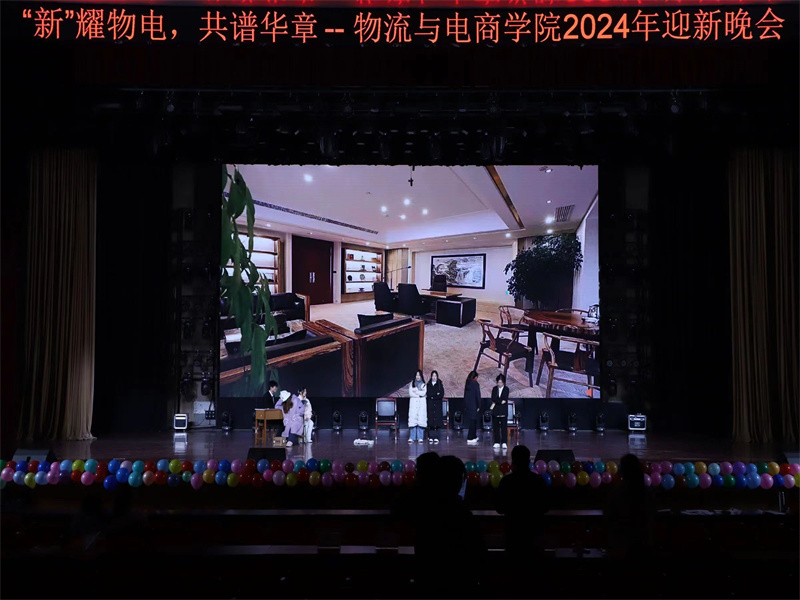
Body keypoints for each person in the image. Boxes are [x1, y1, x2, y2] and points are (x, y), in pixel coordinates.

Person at [496, 445, 549, 559]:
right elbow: (546, 507)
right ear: (529, 461)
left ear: (513, 462)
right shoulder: (539, 481)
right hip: (535, 536)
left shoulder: (506, 482)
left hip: (513, 537)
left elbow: (499, 508)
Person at [604, 453, 656, 560]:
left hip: (622, 548)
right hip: (644, 546)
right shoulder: (648, 492)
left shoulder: (617, 493)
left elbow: (608, 518)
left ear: (623, 472)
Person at [490, 374, 509, 450]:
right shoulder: (494, 389)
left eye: (501, 382)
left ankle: (504, 442)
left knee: (504, 427)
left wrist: (498, 401)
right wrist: (500, 401)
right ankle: (497, 442)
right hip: (496, 411)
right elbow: (493, 398)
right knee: (496, 427)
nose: (499, 384)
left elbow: (505, 399)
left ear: (503, 382)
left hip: (503, 411)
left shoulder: (506, 389)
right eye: (498, 382)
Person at [408, 369, 427, 443]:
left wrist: (416, 391)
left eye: (419, 375)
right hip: (413, 404)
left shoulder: (423, 384)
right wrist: (419, 394)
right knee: (413, 420)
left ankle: (420, 437)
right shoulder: (412, 384)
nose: (418, 376)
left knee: (420, 420)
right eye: (416, 375)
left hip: (421, 404)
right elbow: (410, 393)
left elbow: (423, 393)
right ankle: (412, 437)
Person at [426, 370, 445, 444]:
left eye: (435, 376)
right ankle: (430, 437)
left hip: (437, 405)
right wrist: (435, 394)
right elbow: (429, 394)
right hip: (430, 404)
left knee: (437, 421)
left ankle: (437, 437)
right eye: (433, 376)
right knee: (431, 421)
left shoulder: (440, 384)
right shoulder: (428, 384)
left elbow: (441, 394)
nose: (434, 377)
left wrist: (434, 396)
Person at [464, 371, 482, 445]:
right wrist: (479, 405)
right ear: (475, 377)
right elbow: (478, 395)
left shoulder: (467, 383)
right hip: (474, 405)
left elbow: (465, 395)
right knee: (473, 422)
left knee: (472, 421)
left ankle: (474, 436)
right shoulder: (475, 384)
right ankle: (470, 437)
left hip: (468, 405)